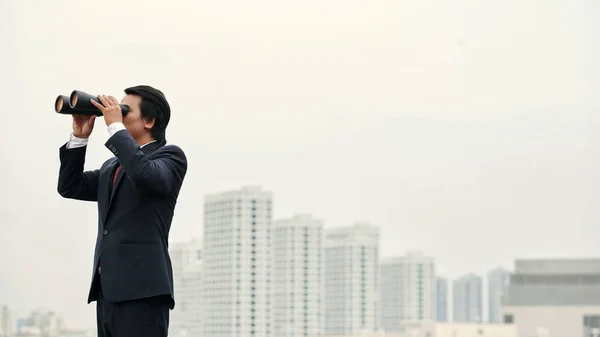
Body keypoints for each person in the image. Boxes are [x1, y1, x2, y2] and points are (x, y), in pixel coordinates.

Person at [57, 85, 188, 337]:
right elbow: (69, 186)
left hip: (143, 291)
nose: (116, 113)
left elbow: (144, 174)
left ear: (149, 120)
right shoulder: (112, 167)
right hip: (107, 290)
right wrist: (79, 137)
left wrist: (114, 127)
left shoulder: (170, 157)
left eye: (124, 110)